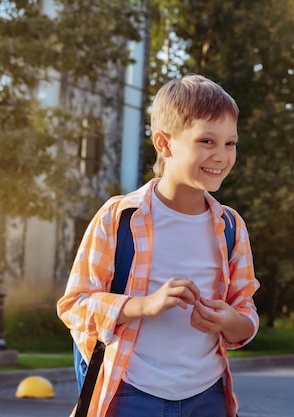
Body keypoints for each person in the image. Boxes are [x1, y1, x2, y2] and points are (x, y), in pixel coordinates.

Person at [57, 74, 259, 417]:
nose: (222, 156)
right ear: (165, 144)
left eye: (230, 143)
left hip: (207, 396)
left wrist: (229, 321)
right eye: (207, 141)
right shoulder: (118, 218)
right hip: (131, 396)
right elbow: (74, 305)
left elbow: (246, 315)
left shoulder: (231, 227)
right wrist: (143, 306)